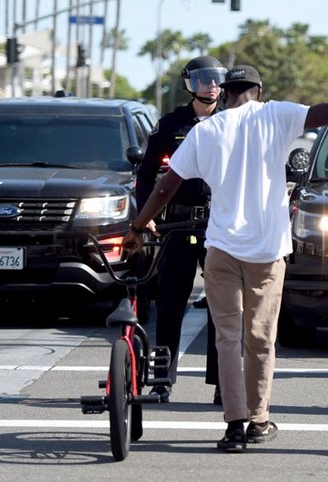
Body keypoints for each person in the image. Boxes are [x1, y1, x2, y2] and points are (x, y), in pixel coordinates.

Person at [123, 27, 328, 453]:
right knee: (259, 338)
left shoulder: (206, 131)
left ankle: (234, 424)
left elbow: (164, 187)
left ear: (223, 94)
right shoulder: (276, 114)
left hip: (221, 248)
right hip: (266, 251)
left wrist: (137, 229)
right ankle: (258, 419)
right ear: (258, 90)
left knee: (226, 337)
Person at [135, 55, 227, 404]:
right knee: (171, 301)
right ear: (190, 83)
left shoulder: (230, 120)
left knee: (223, 304)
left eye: (216, 79)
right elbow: (145, 174)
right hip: (178, 222)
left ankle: (223, 382)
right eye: (203, 79)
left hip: (219, 223)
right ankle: (162, 379)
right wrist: (147, 216)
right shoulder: (171, 123)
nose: (211, 85)